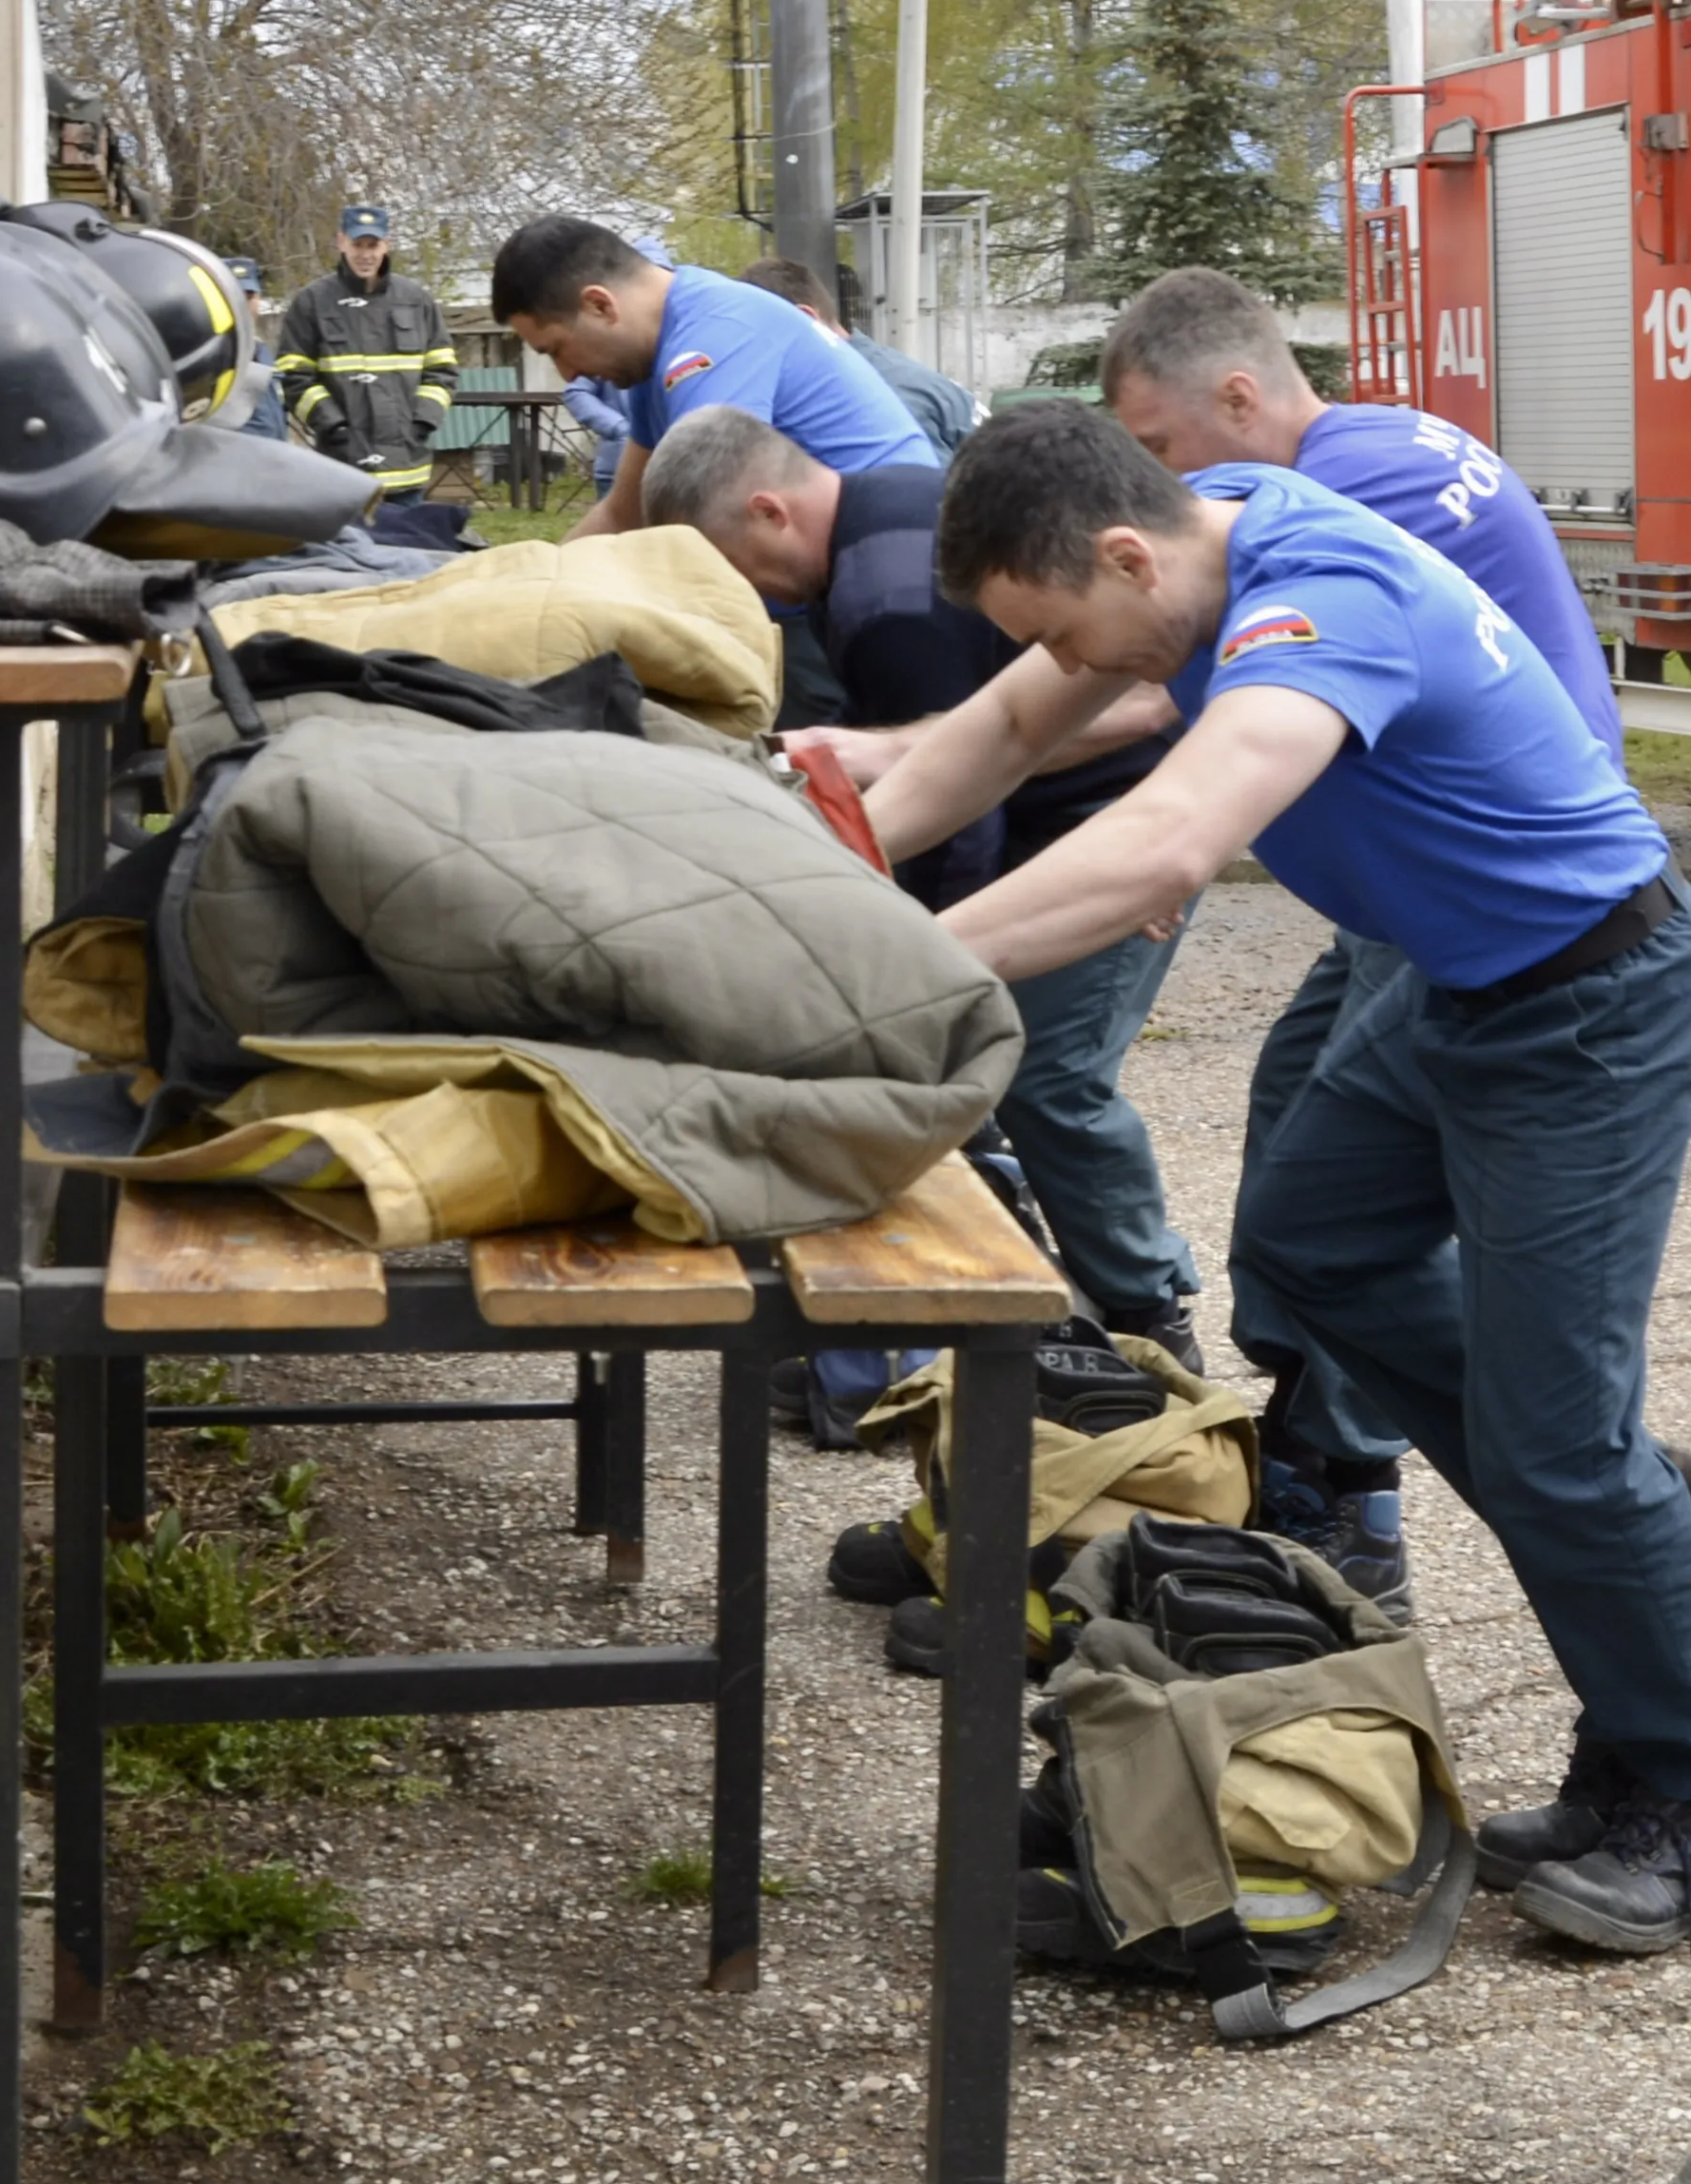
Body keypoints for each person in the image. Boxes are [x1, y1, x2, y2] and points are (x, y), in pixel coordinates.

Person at [817, 402, 1691, 1957]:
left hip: (1596, 999)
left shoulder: (1314, 595)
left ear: (1124, 551)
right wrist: (828, 881)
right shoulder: (1199, 524)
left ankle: (1690, 1786)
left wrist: (893, 978)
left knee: (1553, 1443)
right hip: (1452, 985)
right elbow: (994, 733)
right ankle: (1619, 1505)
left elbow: (1168, 843)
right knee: (1309, 1252)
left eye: (1073, 629)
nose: (1097, 671)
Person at [1095, 269, 1624, 1616]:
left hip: (1497, 883)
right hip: (1430, 875)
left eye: (1157, 453)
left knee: (1344, 1190)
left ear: (1236, 395)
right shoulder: (1369, 442)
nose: (1157, 491)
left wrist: (1162, 838)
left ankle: (1349, 1474)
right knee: (1298, 1132)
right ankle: (1338, 1441)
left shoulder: (1341, 501)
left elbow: (1194, 701)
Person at [639, 403, 1202, 1364]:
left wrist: (903, 975)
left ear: (769, 510)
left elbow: (961, 826)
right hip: (1060, 816)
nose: (748, 593)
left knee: (1049, 1074)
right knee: (1001, 1065)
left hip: (1110, 824)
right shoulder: (884, 510)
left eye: (730, 560)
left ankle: (1146, 1310)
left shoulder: (887, 594)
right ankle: (1025, 1281)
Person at [490, 218, 936, 532]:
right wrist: (540, 585)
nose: (567, 374)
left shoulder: (710, 341)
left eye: (557, 349)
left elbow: (711, 532)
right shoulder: (657, 349)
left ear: (600, 305)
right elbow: (623, 516)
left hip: (882, 564)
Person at [272, 203, 456, 472]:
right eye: (358, 245)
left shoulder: (416, 300)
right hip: (341, 465)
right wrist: (333, 427)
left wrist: (422, 423)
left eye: (373, 245)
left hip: (406, 463)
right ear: (341, 242)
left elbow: (442, 370)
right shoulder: (312, 302)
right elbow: (293, 374)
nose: (366, 254)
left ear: (386, 245)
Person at [746, 253, 984, 458]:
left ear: (805, 321)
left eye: (752, 338)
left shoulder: (872, 402)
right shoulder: (895, 377)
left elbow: (926, 505)